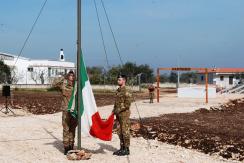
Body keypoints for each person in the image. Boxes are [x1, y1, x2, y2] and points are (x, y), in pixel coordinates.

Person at [53, 71, 77, 155]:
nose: (71, 77)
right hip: (66, 111)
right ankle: (66, 147)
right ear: (67, 77)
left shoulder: (77, 87)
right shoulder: (63, 86)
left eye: (73, 76)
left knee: (72, 129)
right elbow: (54, 84)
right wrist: (62, 78)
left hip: (74, 111)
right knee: (66, 129)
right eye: (70, 75)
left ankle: (71, 145)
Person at [112, 74, 132, 156]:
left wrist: (119, 110)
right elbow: (116, 103)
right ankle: (122, 147)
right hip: (118, 114)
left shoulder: (127, 90)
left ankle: (127, 149)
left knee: (125, 131)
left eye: (119, 80)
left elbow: (127, 104)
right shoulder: (118, 90)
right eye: (118, 79)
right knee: (119, 131)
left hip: (124, 114)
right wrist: (113, 110)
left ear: (124, 80)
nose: (118, 81)